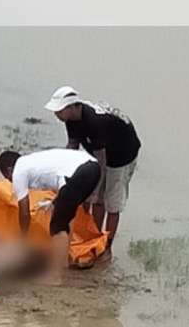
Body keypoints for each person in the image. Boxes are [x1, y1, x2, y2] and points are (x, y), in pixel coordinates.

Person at [44, 85, 141, 257]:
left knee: (111, 201)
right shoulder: (71, 120)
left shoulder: (94, 123)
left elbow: (101, 162)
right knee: (94, 198)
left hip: (122, 155)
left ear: (73, 107)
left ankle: (107, 247)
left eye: (59, 111)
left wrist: (96, 189)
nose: (56, 115)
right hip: (100, 154)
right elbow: (72, 147)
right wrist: (62, 175)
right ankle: (93, 238)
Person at [0, 148, 100, 285]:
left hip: (80, 172)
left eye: (7, 177)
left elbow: (24, 210)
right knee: (67, 213)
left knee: (57, 226)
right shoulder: (32, 162)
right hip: (93, 168)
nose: (9, 181)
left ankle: (54, 275)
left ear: (9, 170)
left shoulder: (19, 171)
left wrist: (23, 238)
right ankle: (64, 262)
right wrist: (54, 202)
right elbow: (62, 179)